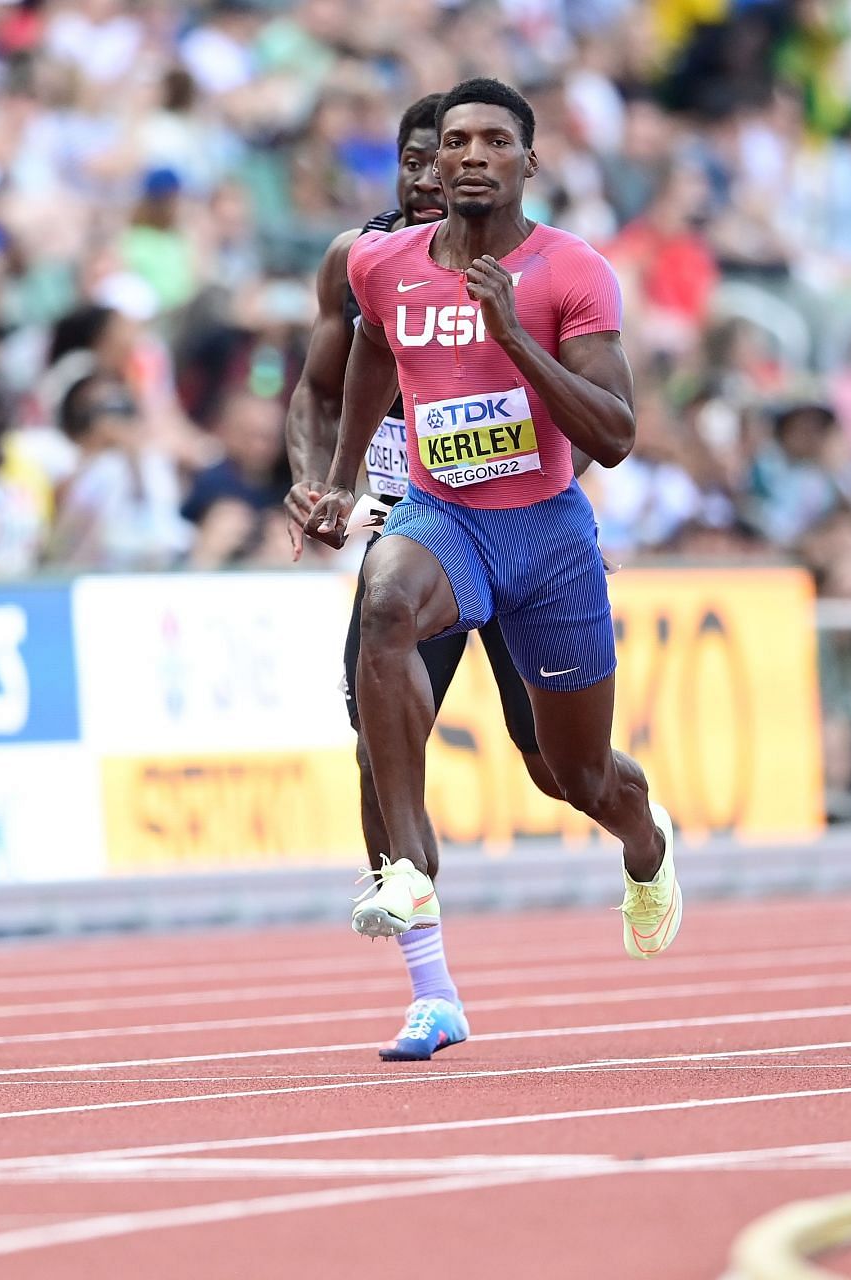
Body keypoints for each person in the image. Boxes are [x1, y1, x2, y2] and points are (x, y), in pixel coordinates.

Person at [303, 79, 682, 988]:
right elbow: (368, 362)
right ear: (433, 161)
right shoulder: (382, 265)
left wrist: (514, 335)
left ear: (528, 161)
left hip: (548, 533)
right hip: (443, 517)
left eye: (497, 141)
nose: (474, 154)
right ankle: (409, 865)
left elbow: (617, 436)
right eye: (458, 142)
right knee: (387, 599)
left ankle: (648, 839)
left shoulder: (571, 270)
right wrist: (336, 485)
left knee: (574, 775)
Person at [285, 93, 571, 1062]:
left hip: (518, 527)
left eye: (439, 159)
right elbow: (317, 393)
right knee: (378, 739)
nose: (427, 177)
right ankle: (430, 982)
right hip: (418, 530)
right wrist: (318, 486)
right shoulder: (361, 265)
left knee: (554, 762)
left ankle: (621, 808)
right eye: (415, 161)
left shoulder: (518, 267)